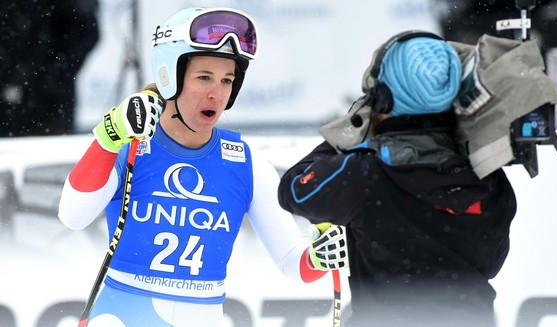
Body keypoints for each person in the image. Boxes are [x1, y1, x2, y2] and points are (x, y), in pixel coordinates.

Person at [58, 7, 347, 326]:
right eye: (204, 77)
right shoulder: (130, 144)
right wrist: (108, 136)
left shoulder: (246, 163)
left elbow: (293, 263)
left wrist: (321, 256)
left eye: (227, 80)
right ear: (169, 76)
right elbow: (73, 216)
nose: (217, 93)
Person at [278, 31, 517, 327]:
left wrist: (357, 127)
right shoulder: (491, 182)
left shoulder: (363, 176)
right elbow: (490, 264)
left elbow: (294, 189)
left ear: (382, 100)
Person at [0, 0, 99, 136]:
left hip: (51, 104)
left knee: (53, 150)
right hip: (8, 106)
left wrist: (58, 70)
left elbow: (87, 31)